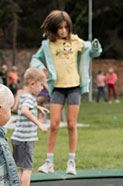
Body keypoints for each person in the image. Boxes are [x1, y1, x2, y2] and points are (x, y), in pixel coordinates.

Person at [31, 10, 102, 175]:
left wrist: (96, 46)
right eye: (60, 28)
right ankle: (49, 162)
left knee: (71, 124)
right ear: (53, 29)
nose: (63, 31)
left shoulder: (76, 41)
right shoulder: (47, 45)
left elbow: (92, 50)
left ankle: (71, 162)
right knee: (54, 125)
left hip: (74, 87)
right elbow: (35, 59)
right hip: (57, 88)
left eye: (65, 27)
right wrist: (42, 69)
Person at [11, 68, 48, 186]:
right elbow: (25, 110)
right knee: (27, 169)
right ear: (33, 84)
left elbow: (26, 106)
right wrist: (39, 123)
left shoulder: (25, 95)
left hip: (18, 138)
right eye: (41, 85)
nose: (42, 88)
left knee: (22, 168)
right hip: (25, 139)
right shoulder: (28, 97)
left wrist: (38, 107)